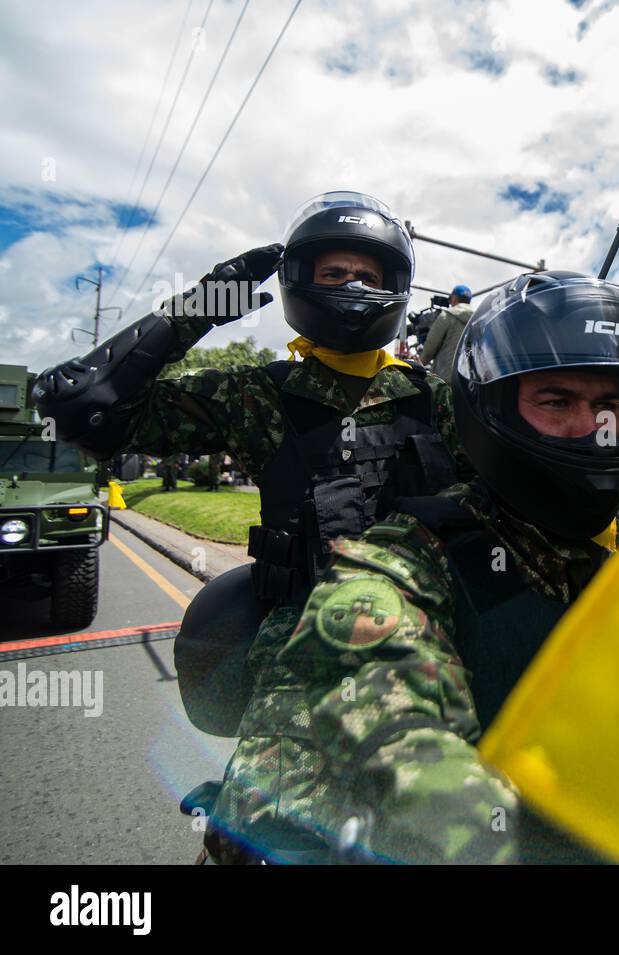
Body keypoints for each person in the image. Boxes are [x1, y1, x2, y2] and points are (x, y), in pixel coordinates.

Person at [33, 191, 471, 860]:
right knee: (260, 841)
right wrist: (199, 308)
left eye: (368, 275)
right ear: (301, 284)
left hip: (436, 663)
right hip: (298, 671)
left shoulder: (438, 401)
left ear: (395, 289)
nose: (352, 287)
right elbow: (91, 408)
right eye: (334, 274)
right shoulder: (258, 394)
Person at [258, 269, 619, 863]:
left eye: (610, 404)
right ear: (492, 411)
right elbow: (384, 711)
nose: (590, 428)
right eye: (556, 401)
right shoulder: (411, 558)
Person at [419, 283, 475, 383]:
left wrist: (421, 363)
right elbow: (470, 350)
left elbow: (431, 346)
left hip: (444, 378)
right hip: (467, 380)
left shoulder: (447, 315)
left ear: (454, 298)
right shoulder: (476, 319)